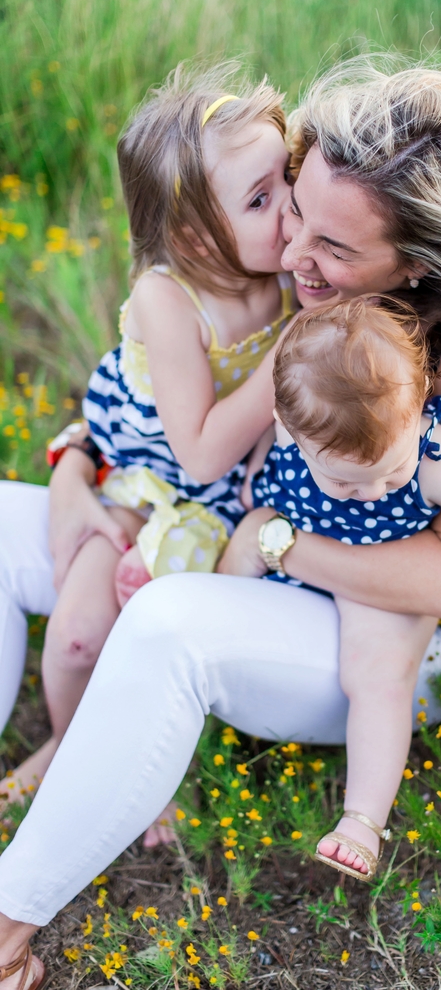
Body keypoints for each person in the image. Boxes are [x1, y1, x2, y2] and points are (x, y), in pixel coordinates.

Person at [0, 57, 441, 986]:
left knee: (170, 625)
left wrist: (278, 538)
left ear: (416, 261)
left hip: (377, 646)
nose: (293, 256)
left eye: (330, 246)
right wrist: (77, 460)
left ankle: (6, 924)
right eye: (293, 206)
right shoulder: (313, 268)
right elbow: (166, 387)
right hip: (250, 552)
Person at [0, 63, 294, 835]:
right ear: (195, 237)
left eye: (285, 180)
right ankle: (67, 741)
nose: (290, 210)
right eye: (262, 200)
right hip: (144, 483)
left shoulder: (286, 266)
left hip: (230, 499)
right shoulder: (170, 297)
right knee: (74, 635)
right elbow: (194, 452)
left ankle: (129, 758)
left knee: (155, 641)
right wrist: (287, 354)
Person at [227, 296, 441, 880]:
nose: (378, 490)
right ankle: (212, 748)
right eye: (348, 481)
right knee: (222, 610)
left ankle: (361, 820)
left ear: (419, 410)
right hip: (292, 553)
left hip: (380, 580)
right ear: (287, 425)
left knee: (378, 677)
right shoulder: (300, 420)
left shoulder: (436, 456)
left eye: (391, 470)